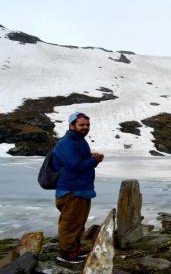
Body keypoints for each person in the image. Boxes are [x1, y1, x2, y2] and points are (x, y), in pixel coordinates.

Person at [52, 112, 104, 263]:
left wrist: (92, 158)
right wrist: (93, 160)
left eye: (87, 125)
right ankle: (66, 255)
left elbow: (79, 161)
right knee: (70, 223)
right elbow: (75, 165)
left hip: (80, 189)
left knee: (78, 223)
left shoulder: (78, 141)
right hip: (71, 191)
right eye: (81, 125)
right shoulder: (66, 143)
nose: (85, 127)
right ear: (72, 125)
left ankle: (74, 249)